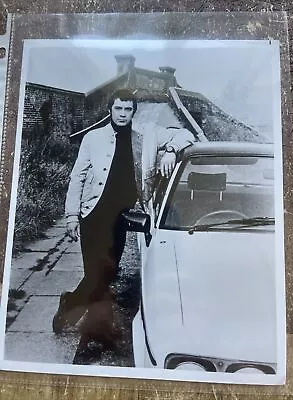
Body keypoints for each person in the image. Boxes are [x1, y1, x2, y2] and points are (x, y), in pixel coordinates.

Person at [52, 88, 195, 349]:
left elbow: (187, 134)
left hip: (121, 218)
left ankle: (70, 303)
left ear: (133, 111)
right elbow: (78, 177)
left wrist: (171, 150)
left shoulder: (149, 134)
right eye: (118, 108)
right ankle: (95, 334)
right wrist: (71, 215)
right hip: (93, 214)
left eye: (128, 109)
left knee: (107, 273)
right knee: (96, 275)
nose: (122, 114)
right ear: (110, 110)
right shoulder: (93, 139)